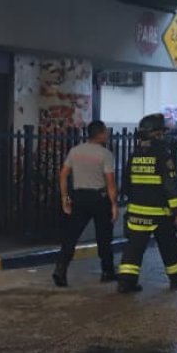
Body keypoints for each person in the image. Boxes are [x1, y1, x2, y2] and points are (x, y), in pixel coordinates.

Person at [116, 113, 177, 293]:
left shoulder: (135, 154)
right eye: (162, 132)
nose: (164, 136)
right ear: (157, 133)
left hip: (136, 212)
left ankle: (126, 282)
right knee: (169, 246)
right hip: (160, 214)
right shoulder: (163, 153)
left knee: (133, 248)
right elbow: (170, 185)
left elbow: (126, 184)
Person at [53, 120, 119, 287]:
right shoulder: (105, 154)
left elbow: (63, 175)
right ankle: (107, 271)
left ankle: (60, 269)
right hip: (99, 198)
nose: (107, 134)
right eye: (105, 131)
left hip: (79, 198)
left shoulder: (75, 151)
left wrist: (65, 199)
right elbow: (110, 182)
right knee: (104, 237)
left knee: (71, 236)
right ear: (100, 134)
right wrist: (114, 204)